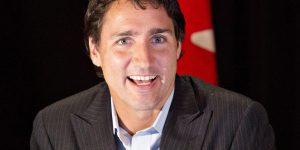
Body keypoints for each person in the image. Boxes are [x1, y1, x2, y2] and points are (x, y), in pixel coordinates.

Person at [30, 0, 275, 149]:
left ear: (178, 46)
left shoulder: (237, 122)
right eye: (124, 40)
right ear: (95, 51)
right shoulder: (54, 127)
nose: (144, 61)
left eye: (158, 39)